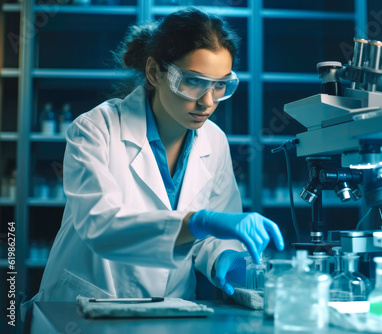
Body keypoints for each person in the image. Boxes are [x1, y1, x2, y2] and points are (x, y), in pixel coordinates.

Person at [23, 7, 284, 311]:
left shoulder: (215, 140)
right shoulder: (96, 128)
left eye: (220, 84)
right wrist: (199, 221)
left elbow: (208, 237)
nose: (208, 101)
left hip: (171, 309)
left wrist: (222, 255)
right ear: (154, 72)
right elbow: (101, 226)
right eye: (193, 82)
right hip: (85, 306)